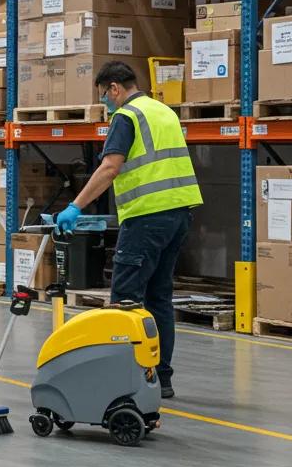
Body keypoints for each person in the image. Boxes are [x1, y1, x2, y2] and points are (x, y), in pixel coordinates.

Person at [52, 61, 202, 399]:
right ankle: (160, 379)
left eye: (104, 95)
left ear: (115, 88)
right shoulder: (164, 111)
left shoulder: (126, 116)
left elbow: (109, 167)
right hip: (179, 214)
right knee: (159, 298)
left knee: (125, 300)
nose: (105, 103)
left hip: (146, 217)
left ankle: (125, 382)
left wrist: (76, 205)